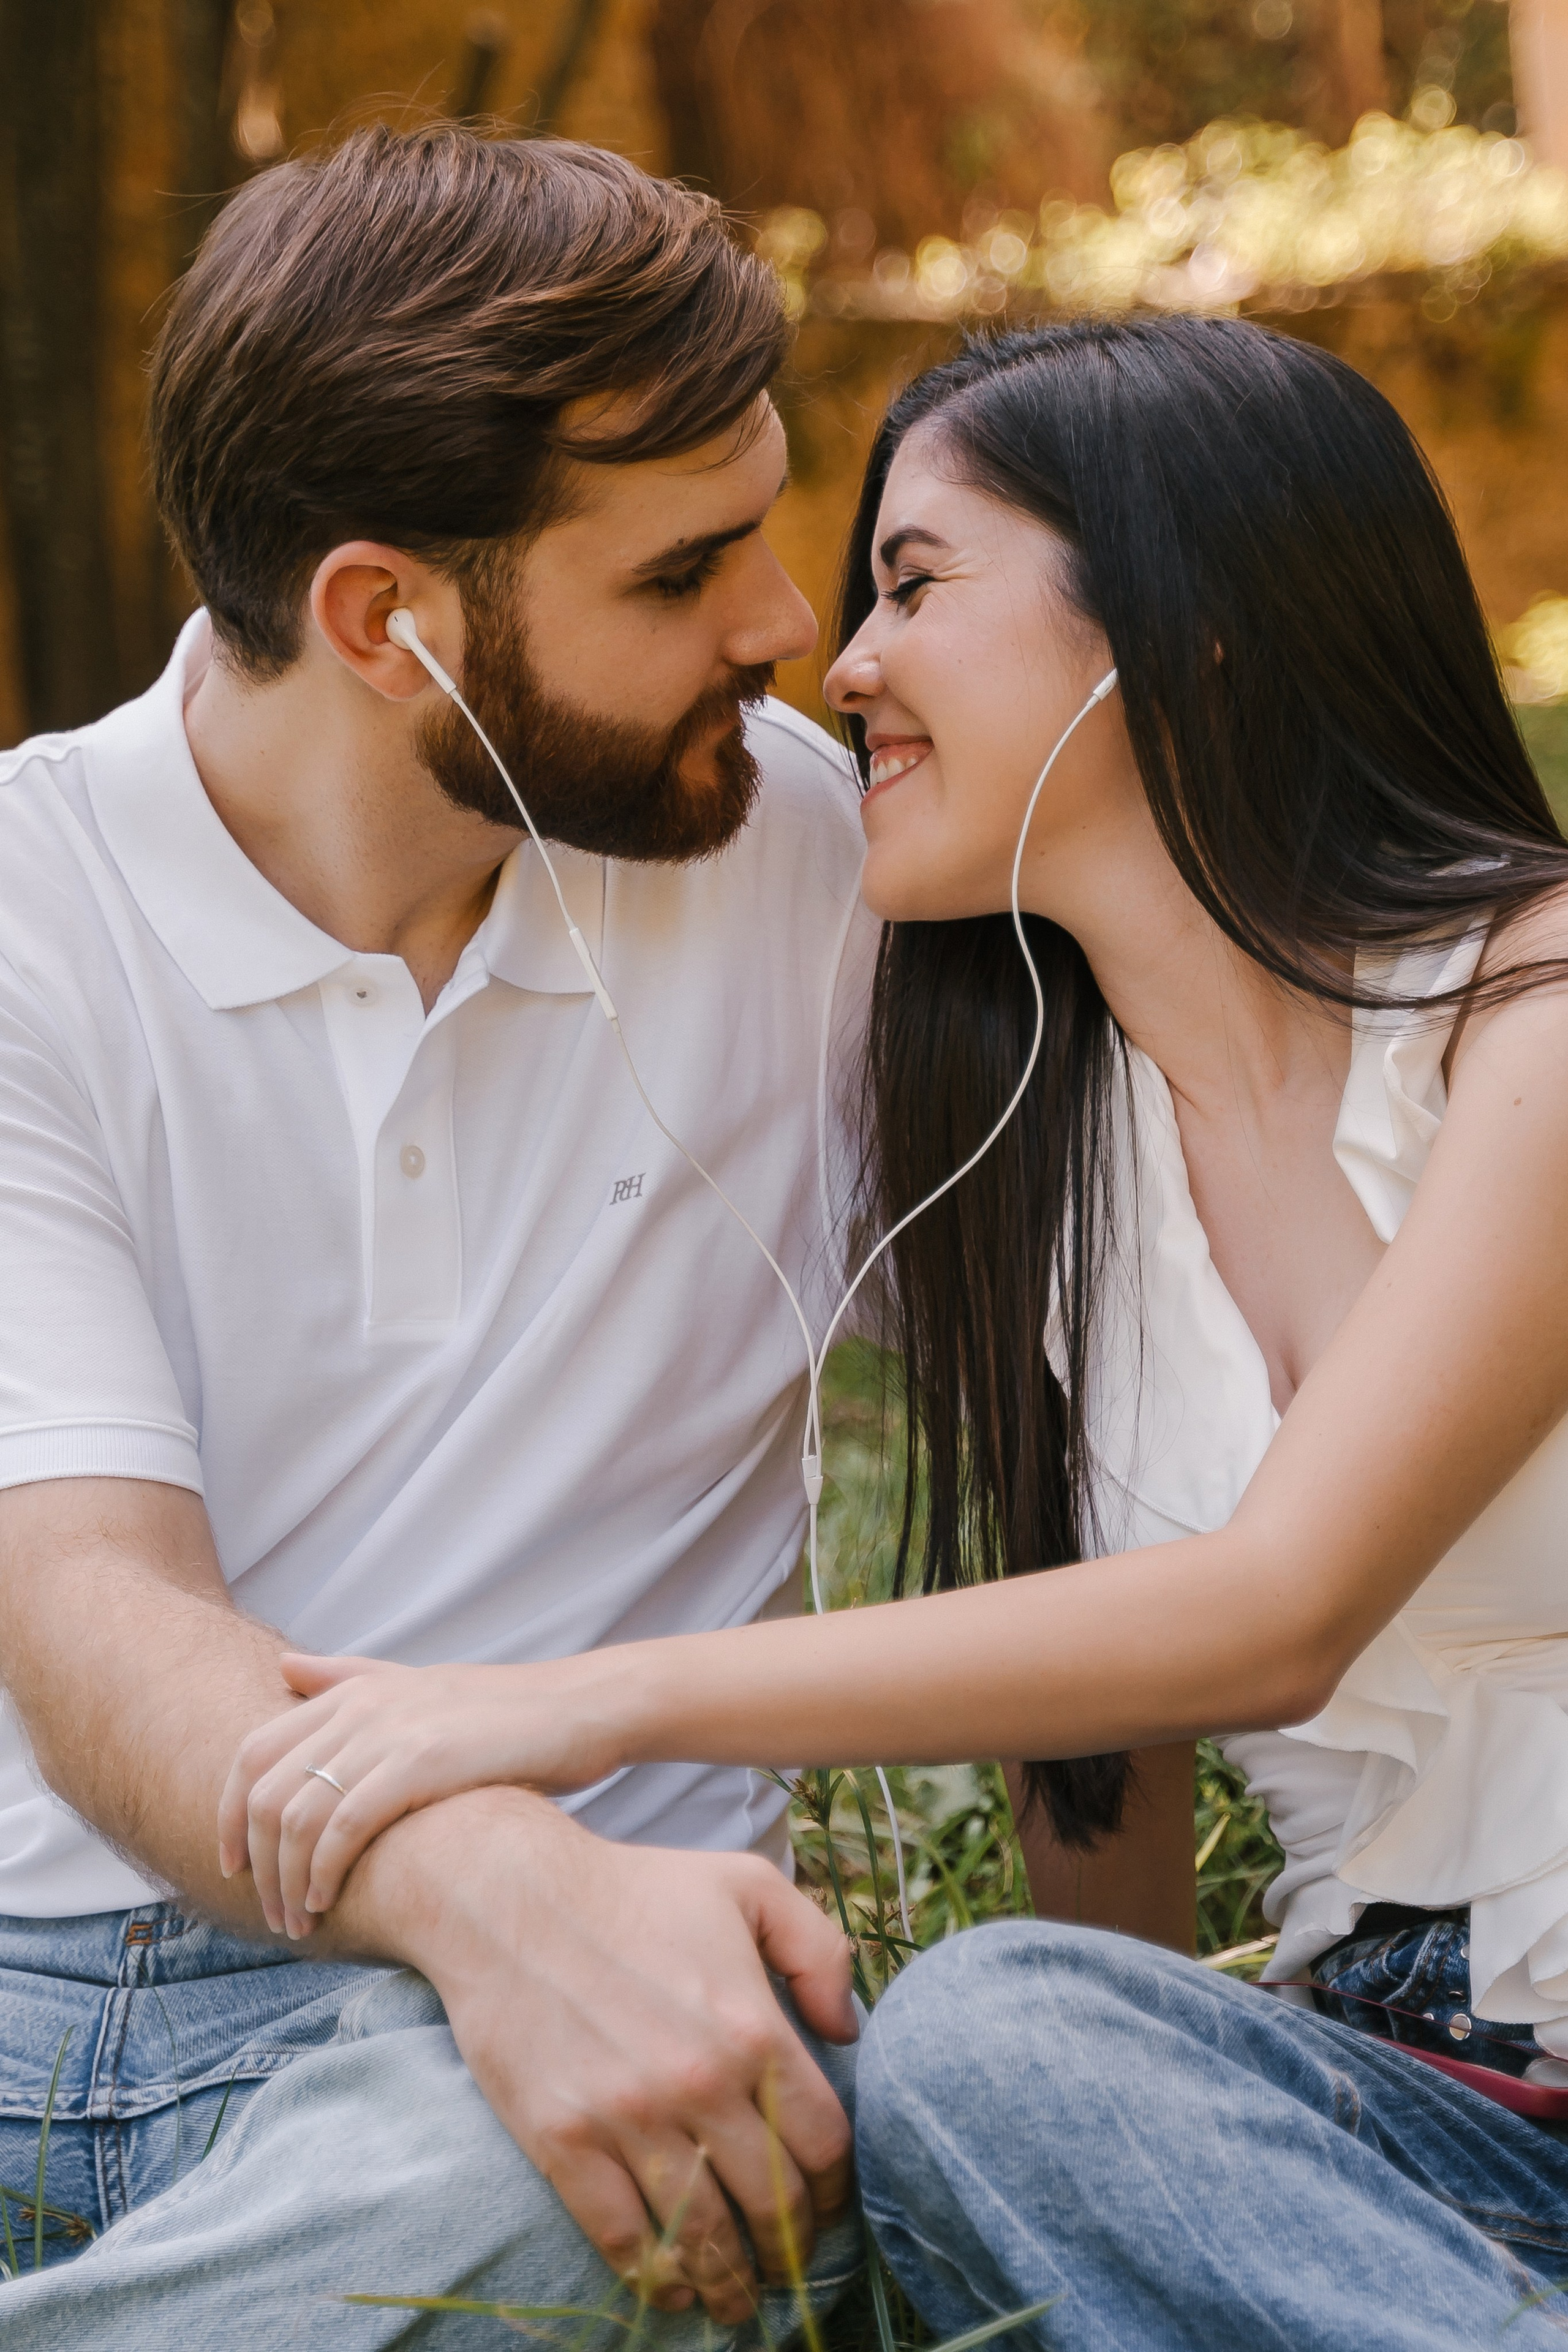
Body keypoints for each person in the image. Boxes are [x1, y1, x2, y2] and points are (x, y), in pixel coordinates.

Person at [235, 316, 1568, 2350]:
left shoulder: (1533, 1010)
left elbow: (1284, 1603)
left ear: (1189, 620)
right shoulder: (1044, 1150)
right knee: (990, 2043)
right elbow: (1092, 1774)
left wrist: (580, 1703)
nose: (839, 664)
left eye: (915, 585)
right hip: (1405, 2122)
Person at [0, 126, 876, 2344]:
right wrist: (481, 1872)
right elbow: (85, 1584)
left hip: (534, 2054)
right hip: (31, 1989)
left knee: (559, 2192)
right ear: (389, 620)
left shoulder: (819, 862)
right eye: (684, 577)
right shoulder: (24, 921)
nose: (790, 631)